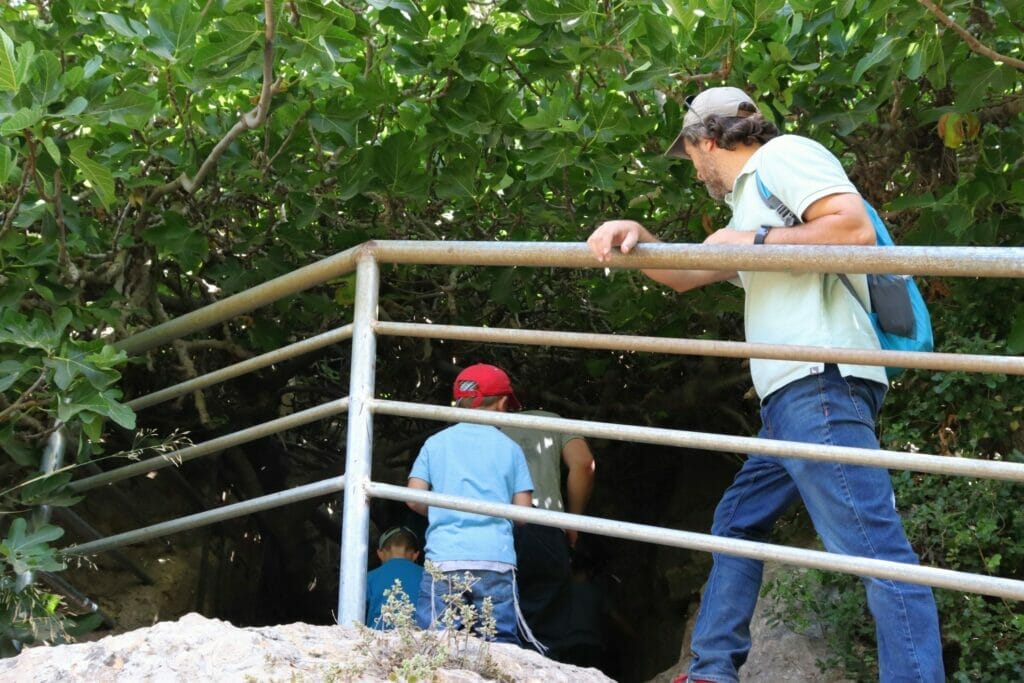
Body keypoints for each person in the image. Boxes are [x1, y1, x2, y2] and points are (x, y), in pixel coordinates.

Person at [586, 86, 943, 683]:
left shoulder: (784, 158)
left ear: (705, 141)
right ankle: (711, 671)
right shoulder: (749, 204)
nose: (695, 170)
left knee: (878, 552)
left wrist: (749, 241)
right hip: (791, 397)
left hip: (821, 383)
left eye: (690, 155)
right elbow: (689, 273)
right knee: (737, 521)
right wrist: (635, 237)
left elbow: (852, 229)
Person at [406, 363, 535, 645]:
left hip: (444, 557)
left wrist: (444, 509)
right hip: (495, 558)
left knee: (437, 641)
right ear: (502, 403)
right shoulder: (511, 448)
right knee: (499, 642)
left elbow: (414, 498)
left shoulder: (435, 443)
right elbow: (523, 512)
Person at [500, 411, 595, 650]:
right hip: (544, 524)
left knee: (495, 619)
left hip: (495, 527)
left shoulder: (485, 425)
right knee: (546, 626)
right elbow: (584, 464)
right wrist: (572, 523)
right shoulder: (554, 419)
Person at [365, 526, 424, 629]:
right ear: (415, 555)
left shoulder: (368, 578)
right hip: (417, 639)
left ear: (380, 554)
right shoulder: (428, 576)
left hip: (378, 639)